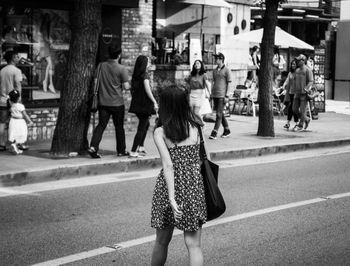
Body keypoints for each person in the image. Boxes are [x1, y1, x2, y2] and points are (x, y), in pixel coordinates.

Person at [151, 84, 208, 266]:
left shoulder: (161, 132)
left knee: (161, 241)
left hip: (169, 186)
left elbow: (168, 166)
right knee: (194, 245)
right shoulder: (197, 127)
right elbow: (204, 158)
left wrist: (172, 198)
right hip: (193, 185)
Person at [88, 46, 130, 158]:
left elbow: (96, 82)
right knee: (119, 127)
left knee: (101, 125)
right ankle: (121, 151)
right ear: (119, 55)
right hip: (117, 103)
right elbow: (126, 87)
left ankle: (93, 147)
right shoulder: (122, 69)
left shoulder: (101, 66)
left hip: (103, 103)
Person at [129, 55, 158, 158]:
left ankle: (141, 146)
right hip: (145, 104)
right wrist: (154, 101)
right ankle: (133, 151)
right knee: (141, 128)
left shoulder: (136, 75)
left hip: (137, 104)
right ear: (144, 64)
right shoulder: (145, 75)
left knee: (145, 125)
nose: (149, 64)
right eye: (148, 62)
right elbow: (148, 90)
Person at [0, 50, 22, 151]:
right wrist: (19, 100)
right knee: (16, 122)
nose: (19, 58)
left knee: (2, 123)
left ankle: (1, 143)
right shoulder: (16, 71)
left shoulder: (2, 70)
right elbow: (18, 86)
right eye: (17, 56)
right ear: (13, 58)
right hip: (13, 101)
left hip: (2, 100)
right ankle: (16, 143)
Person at [209, 52, 232, 140]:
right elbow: (213, 82)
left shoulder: (227, 70)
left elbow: (229, 84)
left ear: (221, 59)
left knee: (218, 114)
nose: (215, 60)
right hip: (215, 94)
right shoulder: (214, 71)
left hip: (222, 95)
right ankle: (227, 130)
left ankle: (214, 132)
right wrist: (211, 93)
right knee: (220, 113)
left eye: (217, 59)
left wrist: (227, 95)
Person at [7, 90, 33, 154]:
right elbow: (25, 115)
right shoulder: (21, 106)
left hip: (13, 121)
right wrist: (30, 121)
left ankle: (15, 146)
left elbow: (9, 99)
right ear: (18, 98)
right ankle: (15, 146)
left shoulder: (10, 104)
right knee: (20, 134)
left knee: (14, 134)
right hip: (20, 121)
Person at [293, 54, 314, 131]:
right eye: (297, 60)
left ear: (303, 61)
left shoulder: (308, 70)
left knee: (302, 110)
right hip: (297, 93)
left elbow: (311, 81)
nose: (297, 61)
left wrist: (306, 88)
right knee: (294, 109)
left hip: (304, 94)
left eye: (299, 60)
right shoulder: (297, 70)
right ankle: (306, 119)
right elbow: (294, 80)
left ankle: (300, 125)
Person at [282, 60, 298, 129]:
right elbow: (287, 80)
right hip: (291, 92)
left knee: (293, 108)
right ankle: (291, 123)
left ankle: (294, 122)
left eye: (294, 64)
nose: (293, 65)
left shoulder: (298, 73)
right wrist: (284, 85)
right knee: (291, 108)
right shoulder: (290, 73)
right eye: (292, 64)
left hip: (297, 93)